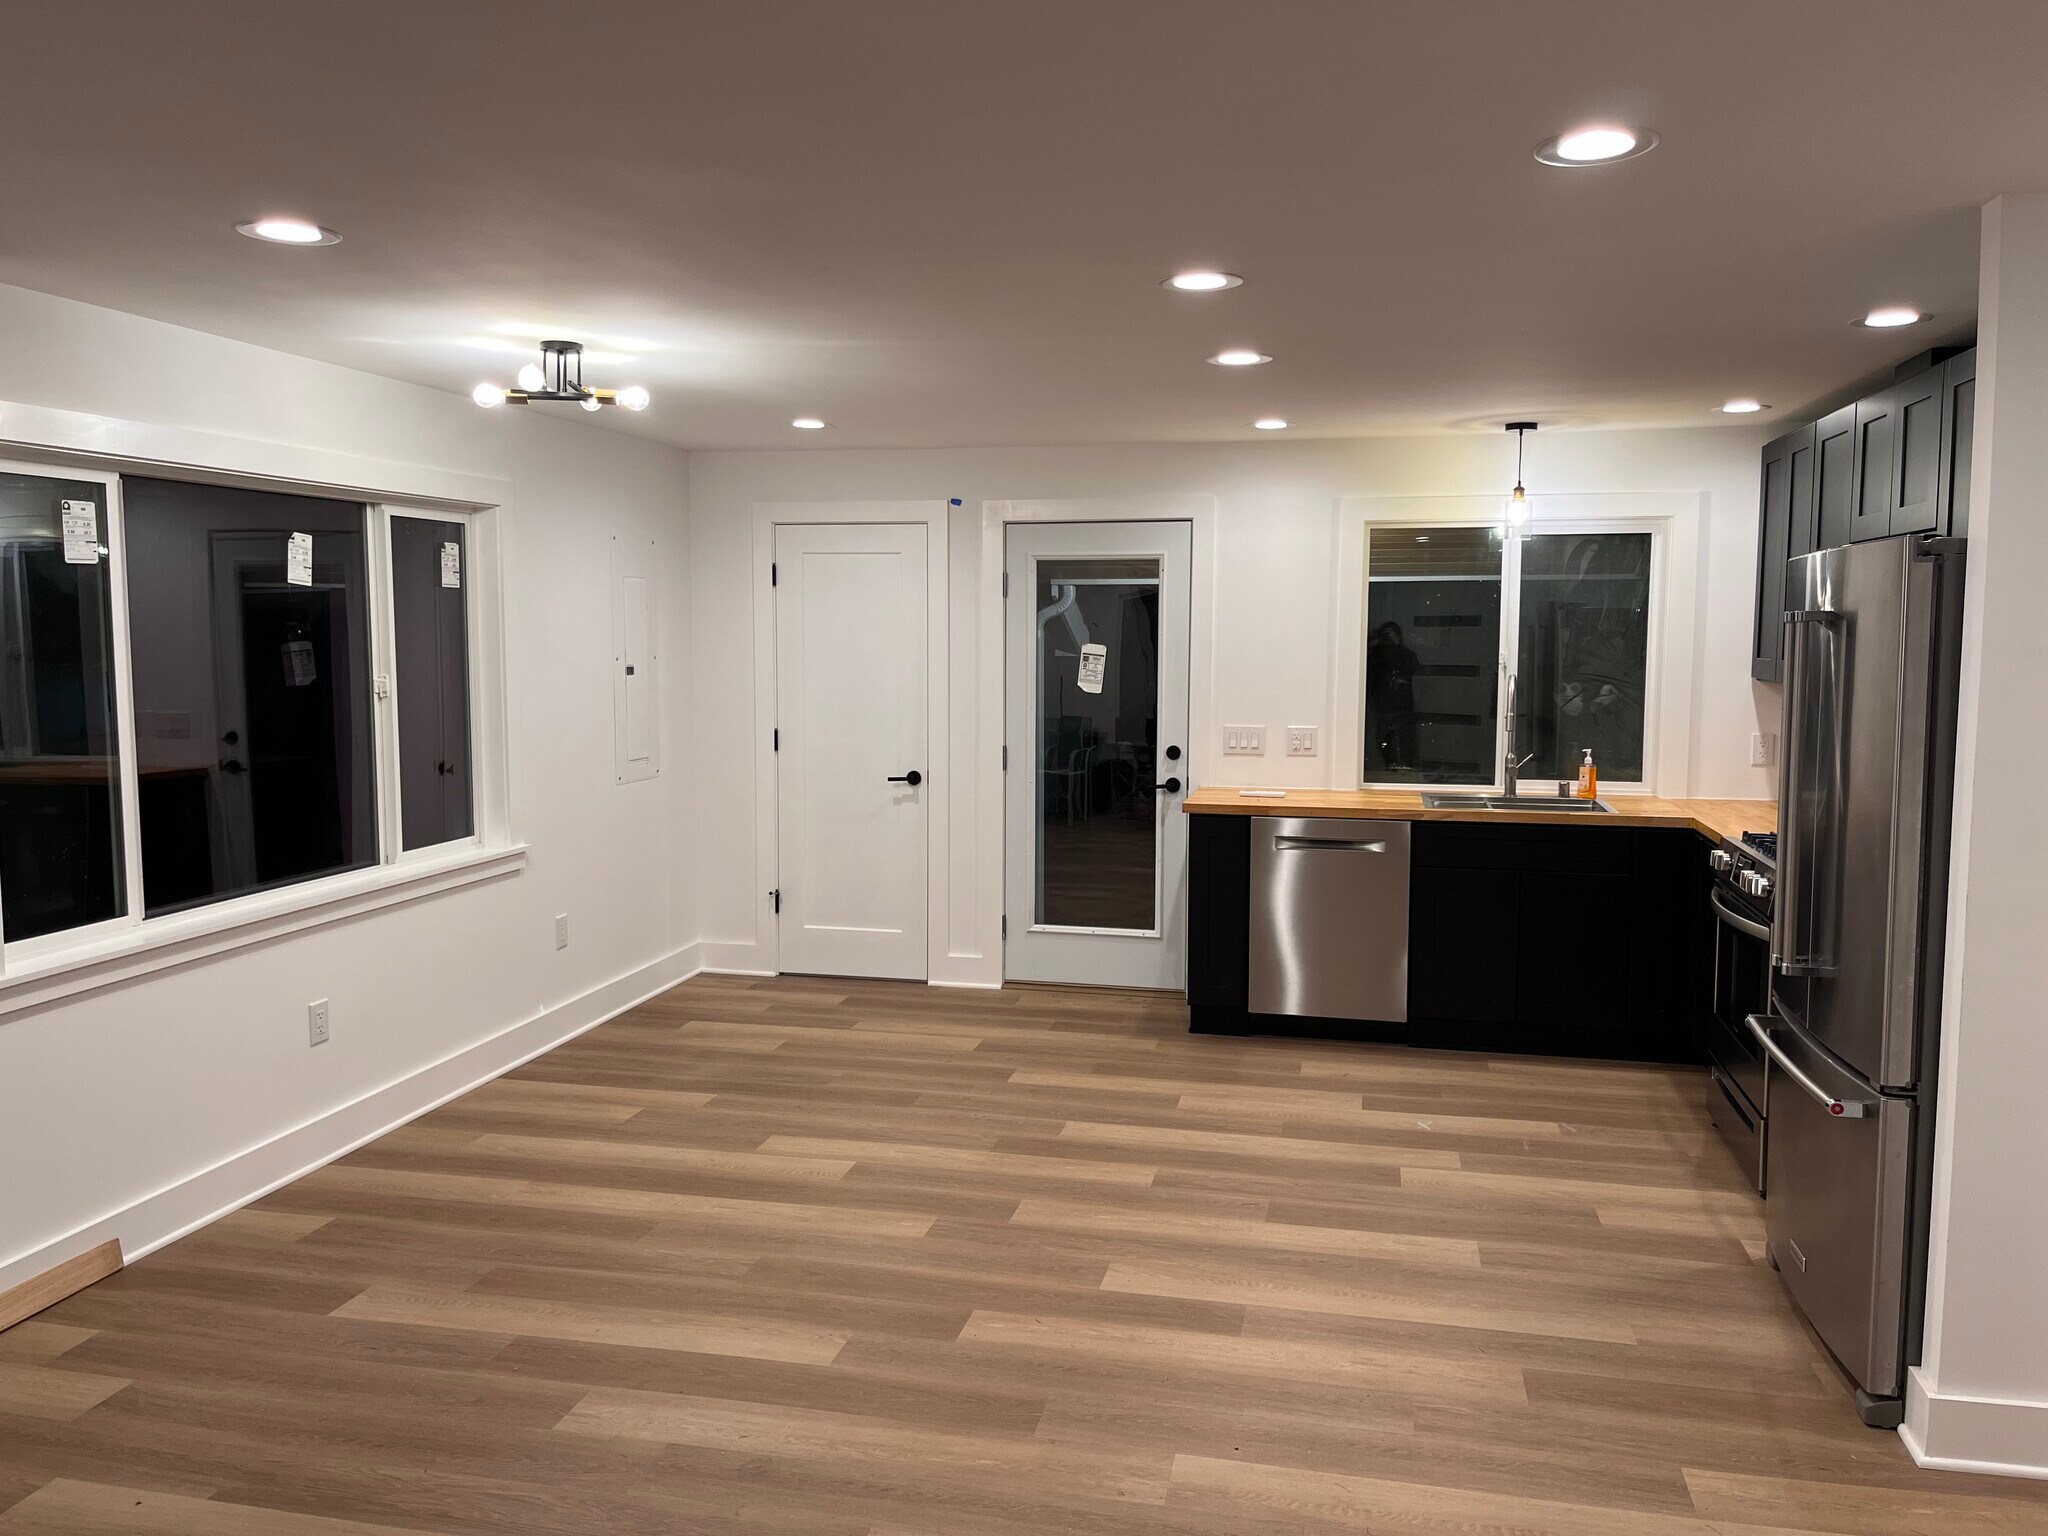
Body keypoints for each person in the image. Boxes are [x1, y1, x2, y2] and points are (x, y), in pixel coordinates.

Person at [1366, 620, 1419, 770]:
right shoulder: (1375, 653)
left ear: (1399, 636)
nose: (1387, 639)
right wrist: (1370, 645)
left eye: (1391, 634)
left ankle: (1405, 765)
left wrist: (1397, 645)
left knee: (1404, 739)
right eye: (1385, 635)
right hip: (1379, 705)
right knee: (1382, 738)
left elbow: (1414, 666)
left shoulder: (1405, 654)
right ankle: (1387, 765)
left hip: (1402, 705)